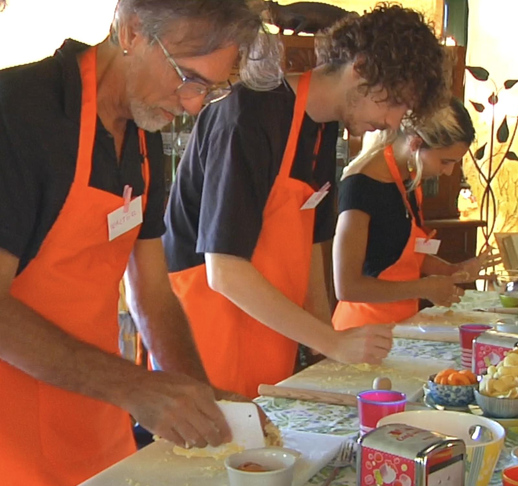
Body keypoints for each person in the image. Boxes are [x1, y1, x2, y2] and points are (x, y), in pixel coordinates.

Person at [0, 0, 278, 486]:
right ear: (131, 30)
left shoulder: (144, 134)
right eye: (188, 77)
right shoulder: (19, 113)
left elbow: (152, 292)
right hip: (10, 451)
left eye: (210, 90)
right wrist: (133, 387)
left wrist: (200, 394)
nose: (194, 105)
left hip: (99, 428)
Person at [162, 4, 450, 399]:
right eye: (395, 102)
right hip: (209, 337)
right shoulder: (247, 114)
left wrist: (322, 344)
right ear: (361, 68)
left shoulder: (323, 128)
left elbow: (311, 246)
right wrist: (331, 343)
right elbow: (224, 271)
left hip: (272, 334)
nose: (394, 123)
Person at [332, 98, 498, 330]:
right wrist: (423, 287)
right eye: (445, 161)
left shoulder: (407, 179)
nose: (449, 172)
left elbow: (402, 253)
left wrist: (452, 270)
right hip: (362, 330)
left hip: (401, 325)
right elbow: (347, 287)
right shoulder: (361, 184)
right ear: (416, 144)